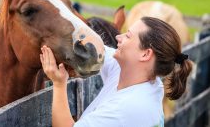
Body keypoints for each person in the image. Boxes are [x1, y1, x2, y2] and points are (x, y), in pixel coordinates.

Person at [40, 16, 192, 127]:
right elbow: (97, 49)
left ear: (145, 54)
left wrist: (59, 84)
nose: (118, 37)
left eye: (128, 36)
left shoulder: (128, 108)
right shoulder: (146, 80)